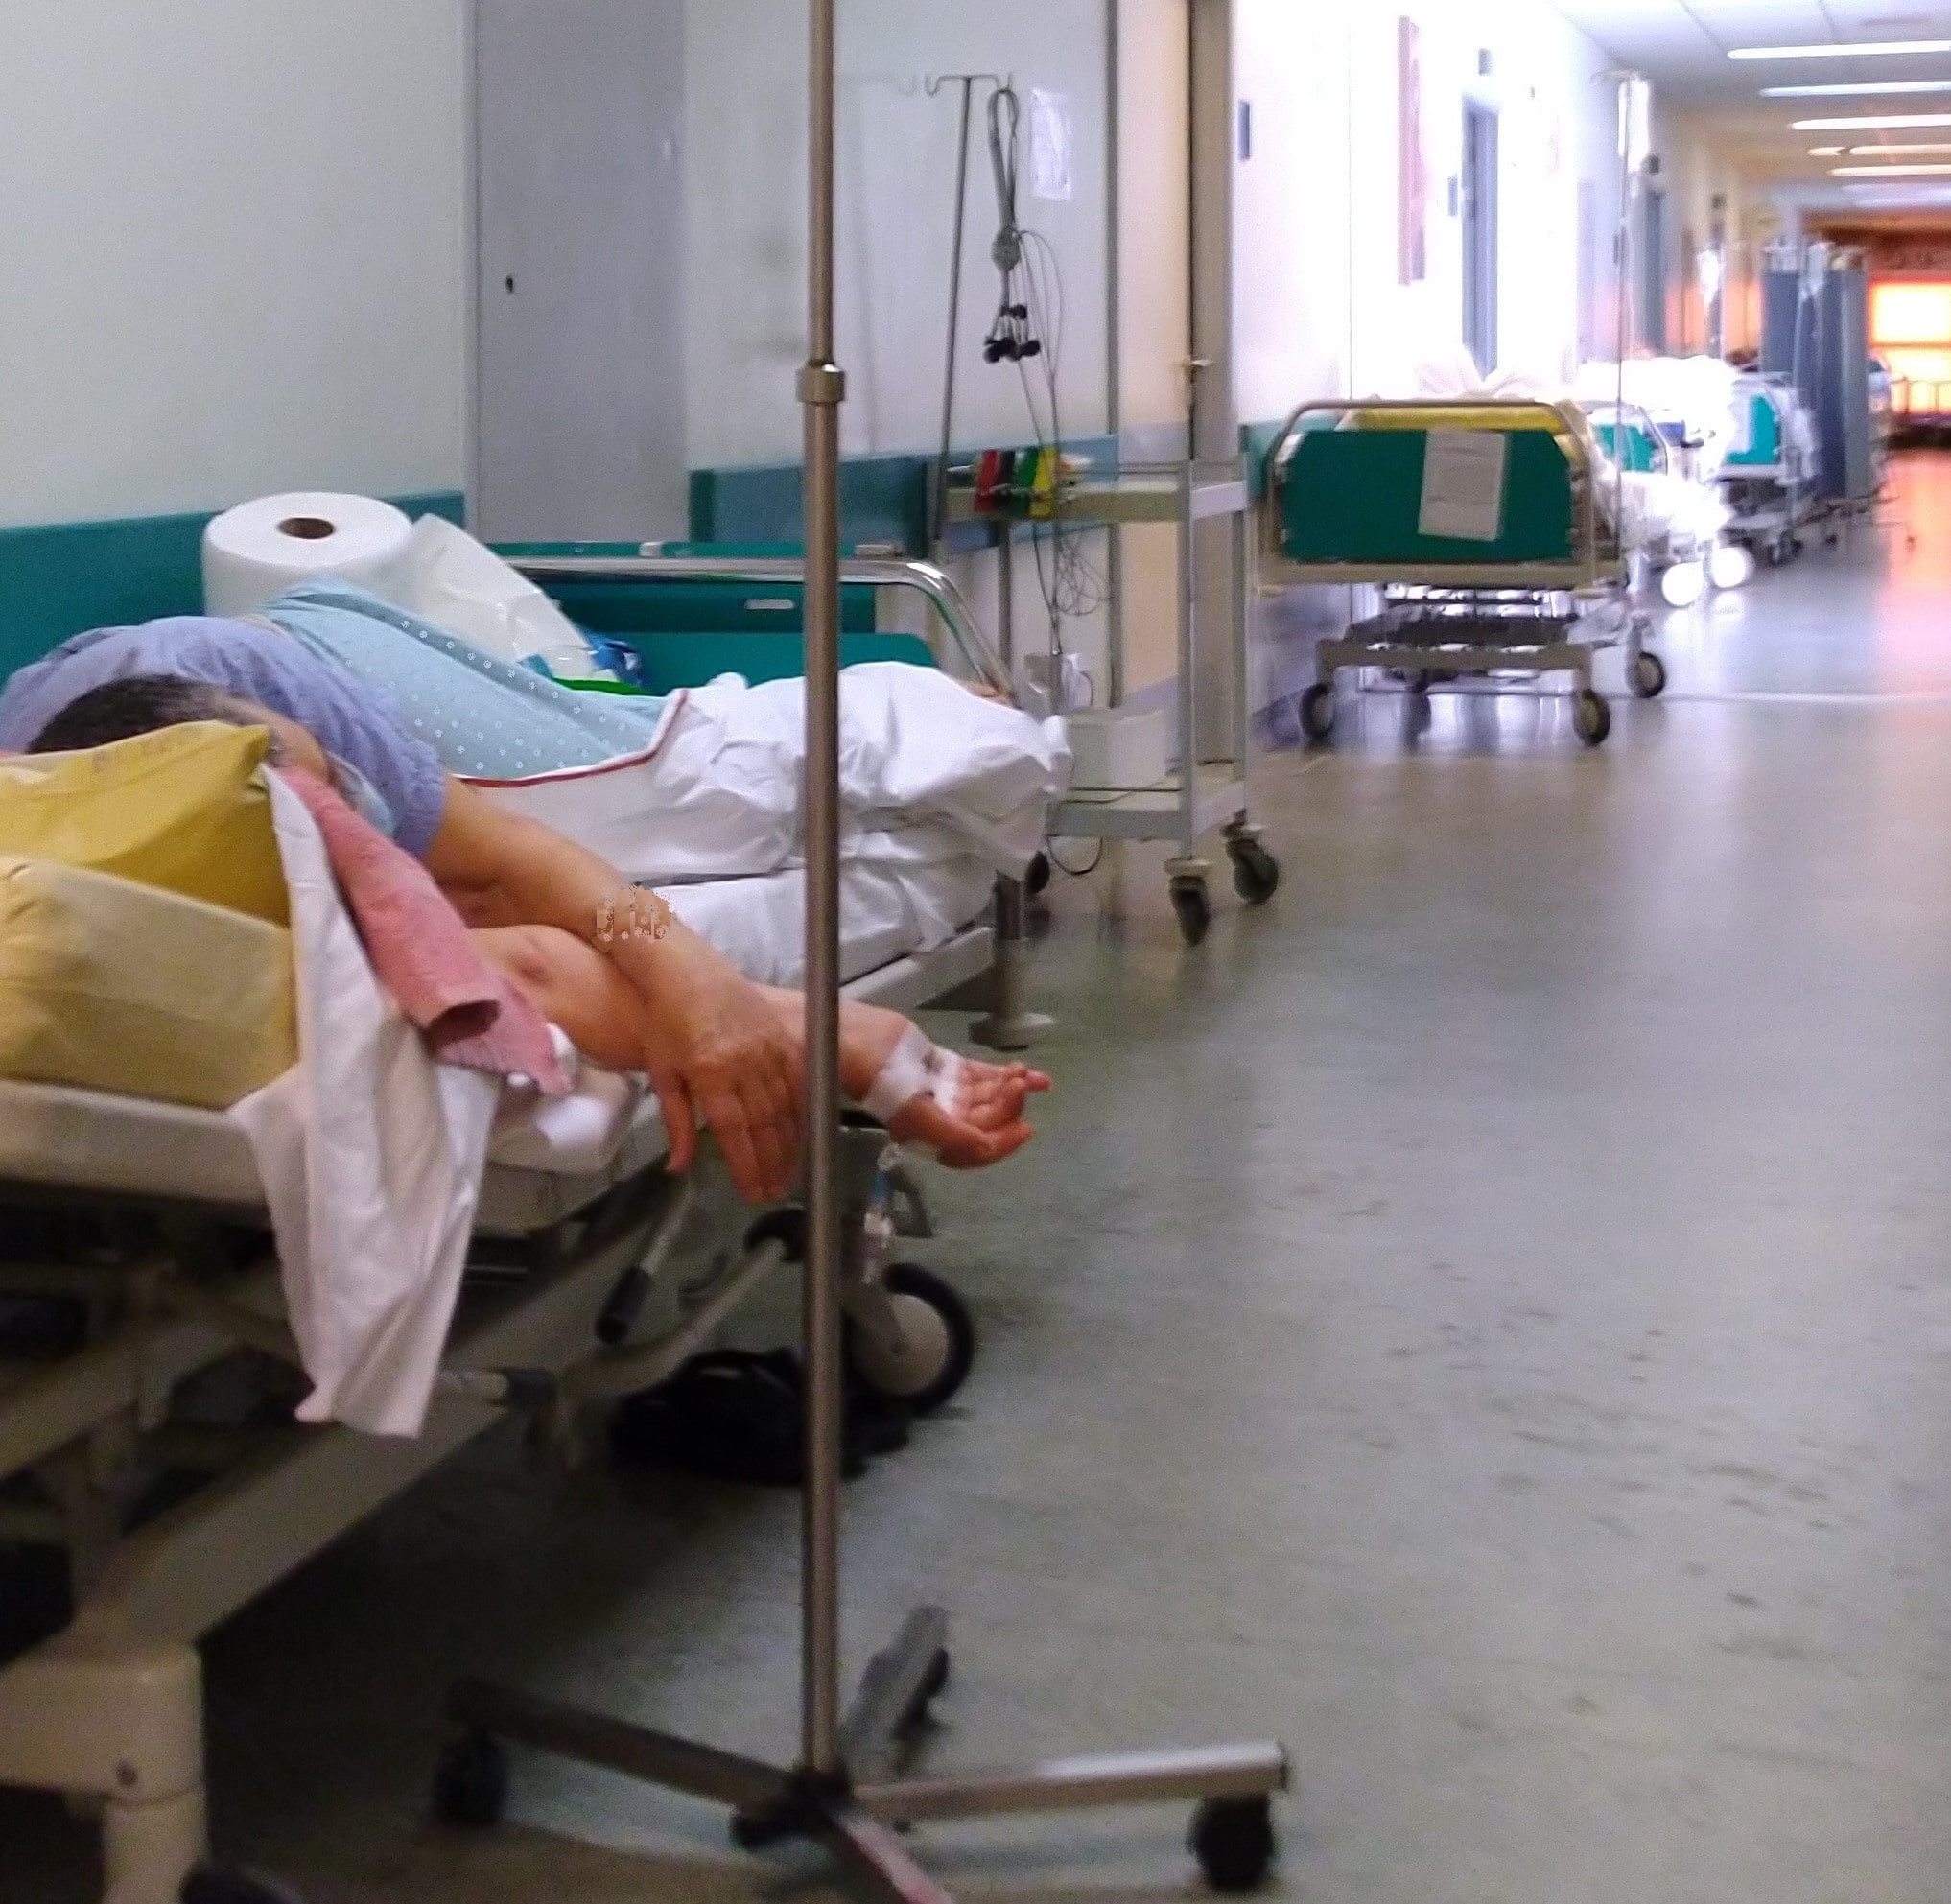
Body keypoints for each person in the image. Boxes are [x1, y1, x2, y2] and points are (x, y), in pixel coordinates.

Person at [18, 671, 1049, 1177]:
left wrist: (699, 983)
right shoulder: (110, 864)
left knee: (681, 786)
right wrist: (828, 1035)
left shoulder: (245, 699)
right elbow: (518, 965)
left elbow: (515, 859)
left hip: (297, 665)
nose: (362, 828)